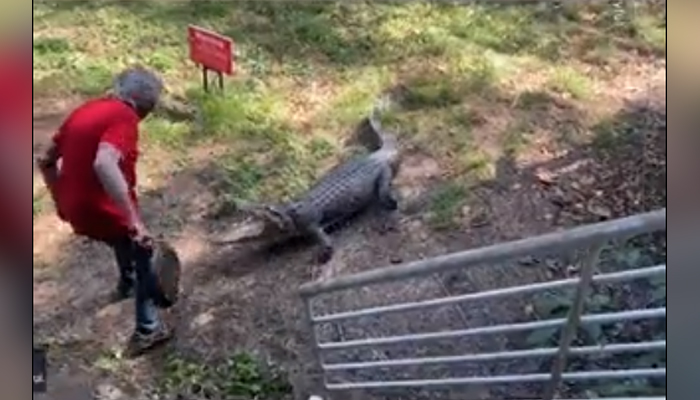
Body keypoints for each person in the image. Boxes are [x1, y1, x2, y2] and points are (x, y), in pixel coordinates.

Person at [37, 66, 172, 354]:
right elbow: (104, 163)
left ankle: (127, 283)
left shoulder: (87, 110)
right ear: (139, 104)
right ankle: (148, 329)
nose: (144, 117)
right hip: (101, 210)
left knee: (121, 237)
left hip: (77, 208)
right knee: (142, 247)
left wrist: (60, 198)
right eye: (147, 110)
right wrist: (134, 220)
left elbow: (45, 159)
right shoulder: (124, 116)